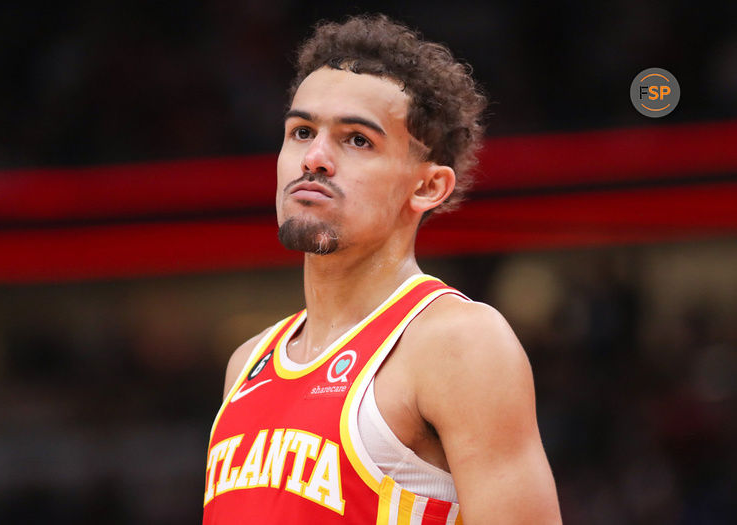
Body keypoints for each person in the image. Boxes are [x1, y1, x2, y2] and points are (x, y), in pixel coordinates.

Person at [203, 14, 562, 524]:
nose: (316, 158)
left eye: (357, 140)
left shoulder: (457, 342)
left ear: (426, 187)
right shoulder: (246, 363)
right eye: (302, 131)